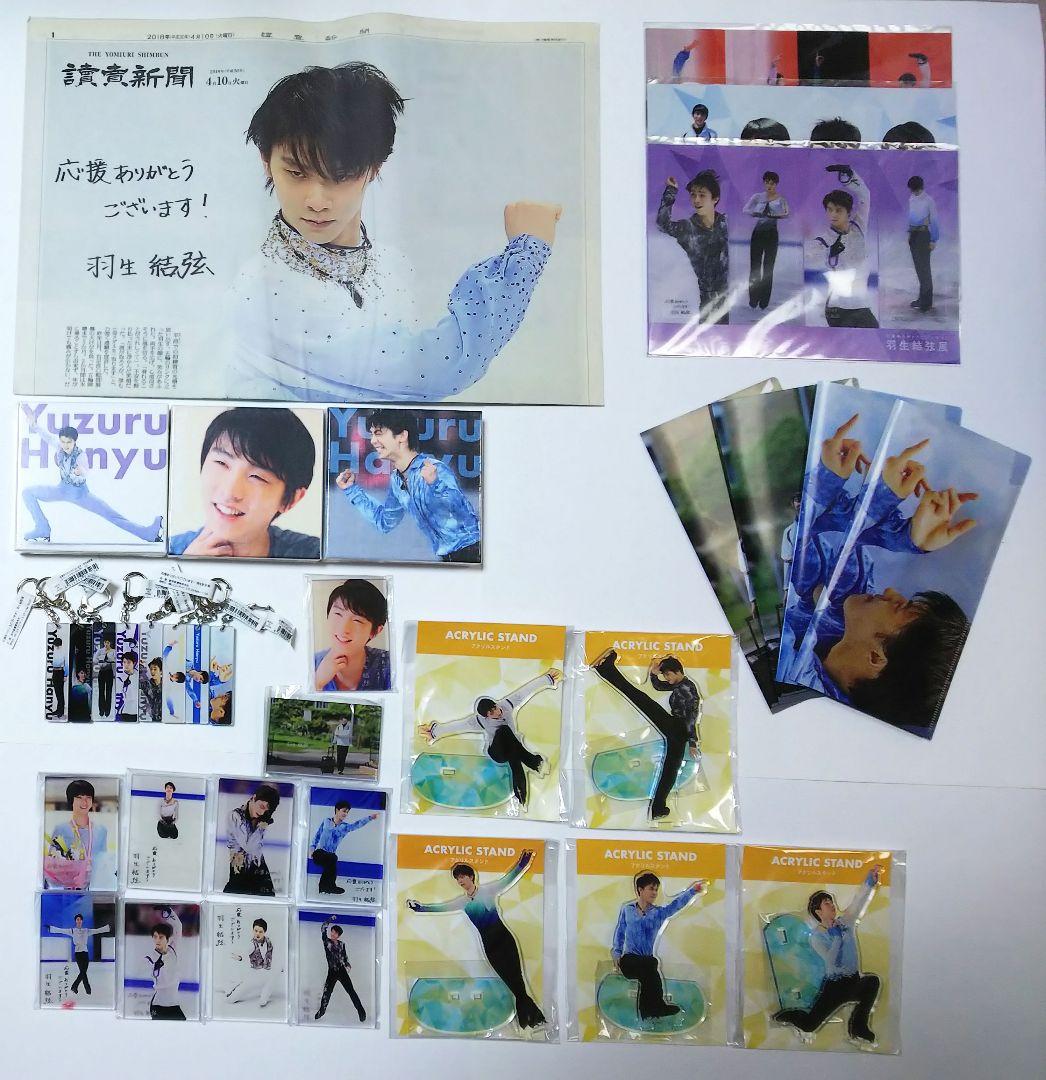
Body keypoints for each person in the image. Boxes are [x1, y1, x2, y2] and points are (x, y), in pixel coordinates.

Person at [229, 62, 561, 402]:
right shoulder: (263, 285)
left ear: (374, 168)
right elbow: (435, 370)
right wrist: (526, 254)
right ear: (266, 162)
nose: (316, 201)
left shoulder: (392, 265)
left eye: (340, 176)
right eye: (297, 174)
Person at [783, 416, 975, 729]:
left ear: (876, 658)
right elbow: (828, 542)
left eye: (899, 606)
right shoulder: (843, 618)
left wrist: (863, 492)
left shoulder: (793, 677)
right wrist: (910, 536)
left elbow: (797, 543)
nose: (890, 592)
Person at [407, 850, 545, 1028]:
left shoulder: (488, 891)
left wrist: (523, 862)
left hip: (504, 939)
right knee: (510, 982)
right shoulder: (462, 902)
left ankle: (529, 1020)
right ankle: (531, 1019)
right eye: (457, 879)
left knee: (517, 978)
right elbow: (441, 908)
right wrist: (421, 908)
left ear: (471, 876)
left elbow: (509, 878)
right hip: (490, 946)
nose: (460, 881)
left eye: (462, 877)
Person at [169, 407, 320, 559]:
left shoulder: (314, 556)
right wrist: (185, 569)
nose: (229, 492)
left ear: (291, 499)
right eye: (221, 463)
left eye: (257, 477)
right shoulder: (168, 552)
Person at [335, 409, 481, 563]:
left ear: (402, 436)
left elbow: (460, 510)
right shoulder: (397, 480)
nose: (372, 441)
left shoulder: (434, 469)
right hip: (448, 560)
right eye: (372, 434)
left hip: (472, 552)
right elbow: (385, 521)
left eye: (378, 433)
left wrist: (435, 484)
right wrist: (352, 490)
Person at [773, 866, 884, 1045]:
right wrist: (836, 939)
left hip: (854, 980)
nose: (832, 905)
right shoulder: (817, 937)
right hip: (835, 987)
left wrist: (869, 882)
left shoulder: (845, 922)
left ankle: (858, 1026)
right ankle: (791, 1015)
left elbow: (858, 902)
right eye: (827, 903)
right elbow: (831, 963)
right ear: (818, 912)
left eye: (831, 901)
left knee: (872, 981)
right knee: (810, 1025)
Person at [419, 669, 561, 808]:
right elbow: (458, 726)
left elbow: (525, 691)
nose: (496, 713)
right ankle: (535, 763)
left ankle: (521, 797)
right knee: (504, 730)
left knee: (515, 761)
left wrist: (547, 679)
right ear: (486, 716)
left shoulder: (506, 705)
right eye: (491, 713)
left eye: (495, 709)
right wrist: (434, 732)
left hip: (512, 748)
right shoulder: (479, 721)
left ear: (496, 704)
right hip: (497, 752)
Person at [20, 412, 163, 544]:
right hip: (62, 490)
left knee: (112, 515)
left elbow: (85, 470)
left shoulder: (80, 455)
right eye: (63, 442)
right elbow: (47, 437)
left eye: (69, 442)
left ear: (74, 441)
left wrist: (80, 472)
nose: (65, 445)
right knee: (27, 492)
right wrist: (34, 425)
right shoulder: (60, 447)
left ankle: (148, 533)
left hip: (80, 494)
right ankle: (42, 528)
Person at [590, 650, 701, 819]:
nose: (667, 678)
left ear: (678, 671)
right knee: (640, 699)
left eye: (668, 675)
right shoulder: (681, 684)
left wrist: (692, 741)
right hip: (675, 726)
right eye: (666, 675)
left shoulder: (687, 688)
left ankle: (607, 669)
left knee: (671, 769)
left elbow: (692, 716)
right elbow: (660, 686)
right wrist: (654, 674)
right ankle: (658, 808)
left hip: (679, 729)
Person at [611, 873, 706, 1020]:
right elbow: (620, 931)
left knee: (648, 973)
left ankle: (647, 1014)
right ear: (640, 890)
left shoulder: (658, 913)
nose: (655, 893)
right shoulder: (627, 909)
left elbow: (676, 905)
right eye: (651, 889)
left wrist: (693, 890)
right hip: (630, 961)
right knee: (651, 965)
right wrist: (616, 953)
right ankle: (657, 1007)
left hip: (646, 964)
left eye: (656, 889)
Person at [656, 171, 730, 325]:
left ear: (715, 199)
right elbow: (662, 224)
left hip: (725, 300)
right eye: (693, 195)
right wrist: (671, 191)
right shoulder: (687, 228)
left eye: (702, 195)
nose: (696, 199)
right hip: (707, 300)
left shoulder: (723, 222)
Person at [812, 166, 878, 328]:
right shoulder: (823, 240)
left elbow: (865, 195)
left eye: (838, 210)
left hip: (861, 306)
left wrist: (850, 176)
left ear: (848, 212)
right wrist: (830, 253)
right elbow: (812, 258)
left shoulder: (859, 227)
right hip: (838, 307)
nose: (833, 214)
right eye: (829, 210)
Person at [313, 579, 391, 692]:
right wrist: (317, 683)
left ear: (375, 631)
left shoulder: (388, 665)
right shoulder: (310, 663)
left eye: (357, 620)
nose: (343, 628)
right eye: (338, 614)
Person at [46, 779, 108, 889]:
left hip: (95, 888)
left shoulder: (101, 830)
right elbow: (53, 864)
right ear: (71, 801)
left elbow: (104, 862)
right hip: (68, 888)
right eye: (79, 798)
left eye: (88, 798)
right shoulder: (61, 829)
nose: (84, 802)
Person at [310, 800, 379, 894]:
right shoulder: (326, 821)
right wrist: (312, 849)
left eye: (347, 812)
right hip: (319, 853)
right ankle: (328, 887)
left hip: (330, 856)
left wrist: (370, 818)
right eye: (344, 811)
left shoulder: (345, 827)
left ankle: (325, 887)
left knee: (332, 859)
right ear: (337, 810)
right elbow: (317, 836)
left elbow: (357, 825)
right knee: (332, 859)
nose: (345, 814)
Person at [742, 171, 789, 309]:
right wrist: (756, 213)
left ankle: (764, 302)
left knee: (768, 268)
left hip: (772, 235)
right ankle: (753, 299)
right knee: (755, 266)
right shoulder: (757, 197)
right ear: (764, 183)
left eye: (772, 183)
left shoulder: (781, 199)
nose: (769, 185)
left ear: (776, 184)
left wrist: (775, 215)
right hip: (758, 233)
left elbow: (787, 213)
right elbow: (745, 209)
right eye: (767, 182)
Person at [225, 783, 282, 896]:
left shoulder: (261, 819)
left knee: (269, 899)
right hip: (240, 866)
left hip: (258, 865)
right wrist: (261, 827)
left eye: (266, 810)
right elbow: (249, 847)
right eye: (262, 806)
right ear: (254, 798)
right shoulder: (235, 816)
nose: (262, 812)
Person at [315, 916, 366, 1022]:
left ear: (338, 935)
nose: (332, 934)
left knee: (351, 991)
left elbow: (344, 956)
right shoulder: (327, 942)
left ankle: (361, 1011)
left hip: (342, 970)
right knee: (327, 992)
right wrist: (330, 919)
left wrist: (347, 964)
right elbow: (323, 928)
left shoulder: (342, 944)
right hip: (332, 971)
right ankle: (322, 1011)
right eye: (332, 932)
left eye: (335, 933)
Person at [48, 912, 110, 996]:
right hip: (78, 954)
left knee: (83, 972)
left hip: (85, 953)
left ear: (82, 921)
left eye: (80, 919)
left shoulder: (86, 931)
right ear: (75, 921)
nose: (79, 921)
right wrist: (51, 928)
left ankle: (78, 988)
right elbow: (61, 930)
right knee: (83, 972)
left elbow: (97, 930)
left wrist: (107, 928)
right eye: (77, 919)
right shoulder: (72, 931)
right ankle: (86, 989)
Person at [906, 176, 939, 313]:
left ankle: (927, 302)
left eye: (916, 190)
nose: (914, 192)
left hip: (923, 235)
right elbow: (911, 217)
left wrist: (933, 240)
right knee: (919, 269)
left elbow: (934, 220)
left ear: (921, 187)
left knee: (924, 269)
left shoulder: (928, 201)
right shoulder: (912, 199)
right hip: (914, 235)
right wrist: (909, 233)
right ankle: (922, 299)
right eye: (913, 190)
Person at [225, 918, 274, 1007]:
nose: (257, 934)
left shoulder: (269, 942)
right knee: (231, 1000)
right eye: (255, 931)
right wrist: (240, 957)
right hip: (253, 974)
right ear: (253, 930)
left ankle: (264, 997)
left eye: (260, 931)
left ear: (264, 932)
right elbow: (245, 953)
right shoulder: (252, 944)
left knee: (272, 979)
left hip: (266, 973)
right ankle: (229, 989)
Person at [146, 906, 185, 1019]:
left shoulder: (173, 949)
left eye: (161, 937)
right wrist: (158, 967)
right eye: (155, 937)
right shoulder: (151, 957)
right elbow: (158, 977)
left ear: (167, 939)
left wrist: (168, 912)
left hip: (173, 1004)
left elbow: (178, 926)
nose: (157, 940)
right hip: (159, 1005)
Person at [781, 493, 802, 584]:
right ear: (793, 504)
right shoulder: (788, 532)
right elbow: (787, 560)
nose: (800, 503)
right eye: (797, 500)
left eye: (803, 499)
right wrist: (787, 587)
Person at [115, 650, 138, 723]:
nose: (126, 665)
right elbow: (118, 692)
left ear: (134, 663)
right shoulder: (120, 678)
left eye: (128, 662)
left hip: (138, 711)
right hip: (126, 711)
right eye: (124, 662)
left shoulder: (138, 676)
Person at [95, 634, 115, 718]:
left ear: (110, 643)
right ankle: (101, 710)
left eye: (108, 642)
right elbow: (94, 659)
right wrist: (101, 658)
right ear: (103, 643)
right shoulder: (100, 651)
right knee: (101, 691)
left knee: (109, 692)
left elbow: (115, 660)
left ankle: (107, 711)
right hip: (102, 672)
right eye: (105, 642)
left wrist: (109, 659)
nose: (106, 644)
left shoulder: (113, 651)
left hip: (109, 672)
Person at [142, 657, 164, 722]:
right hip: (154, 719)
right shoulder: (146, 684)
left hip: (166, 717)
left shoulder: (167, 684)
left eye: (155, 669)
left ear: (161, 671)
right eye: (151, 669)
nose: (152, 671)